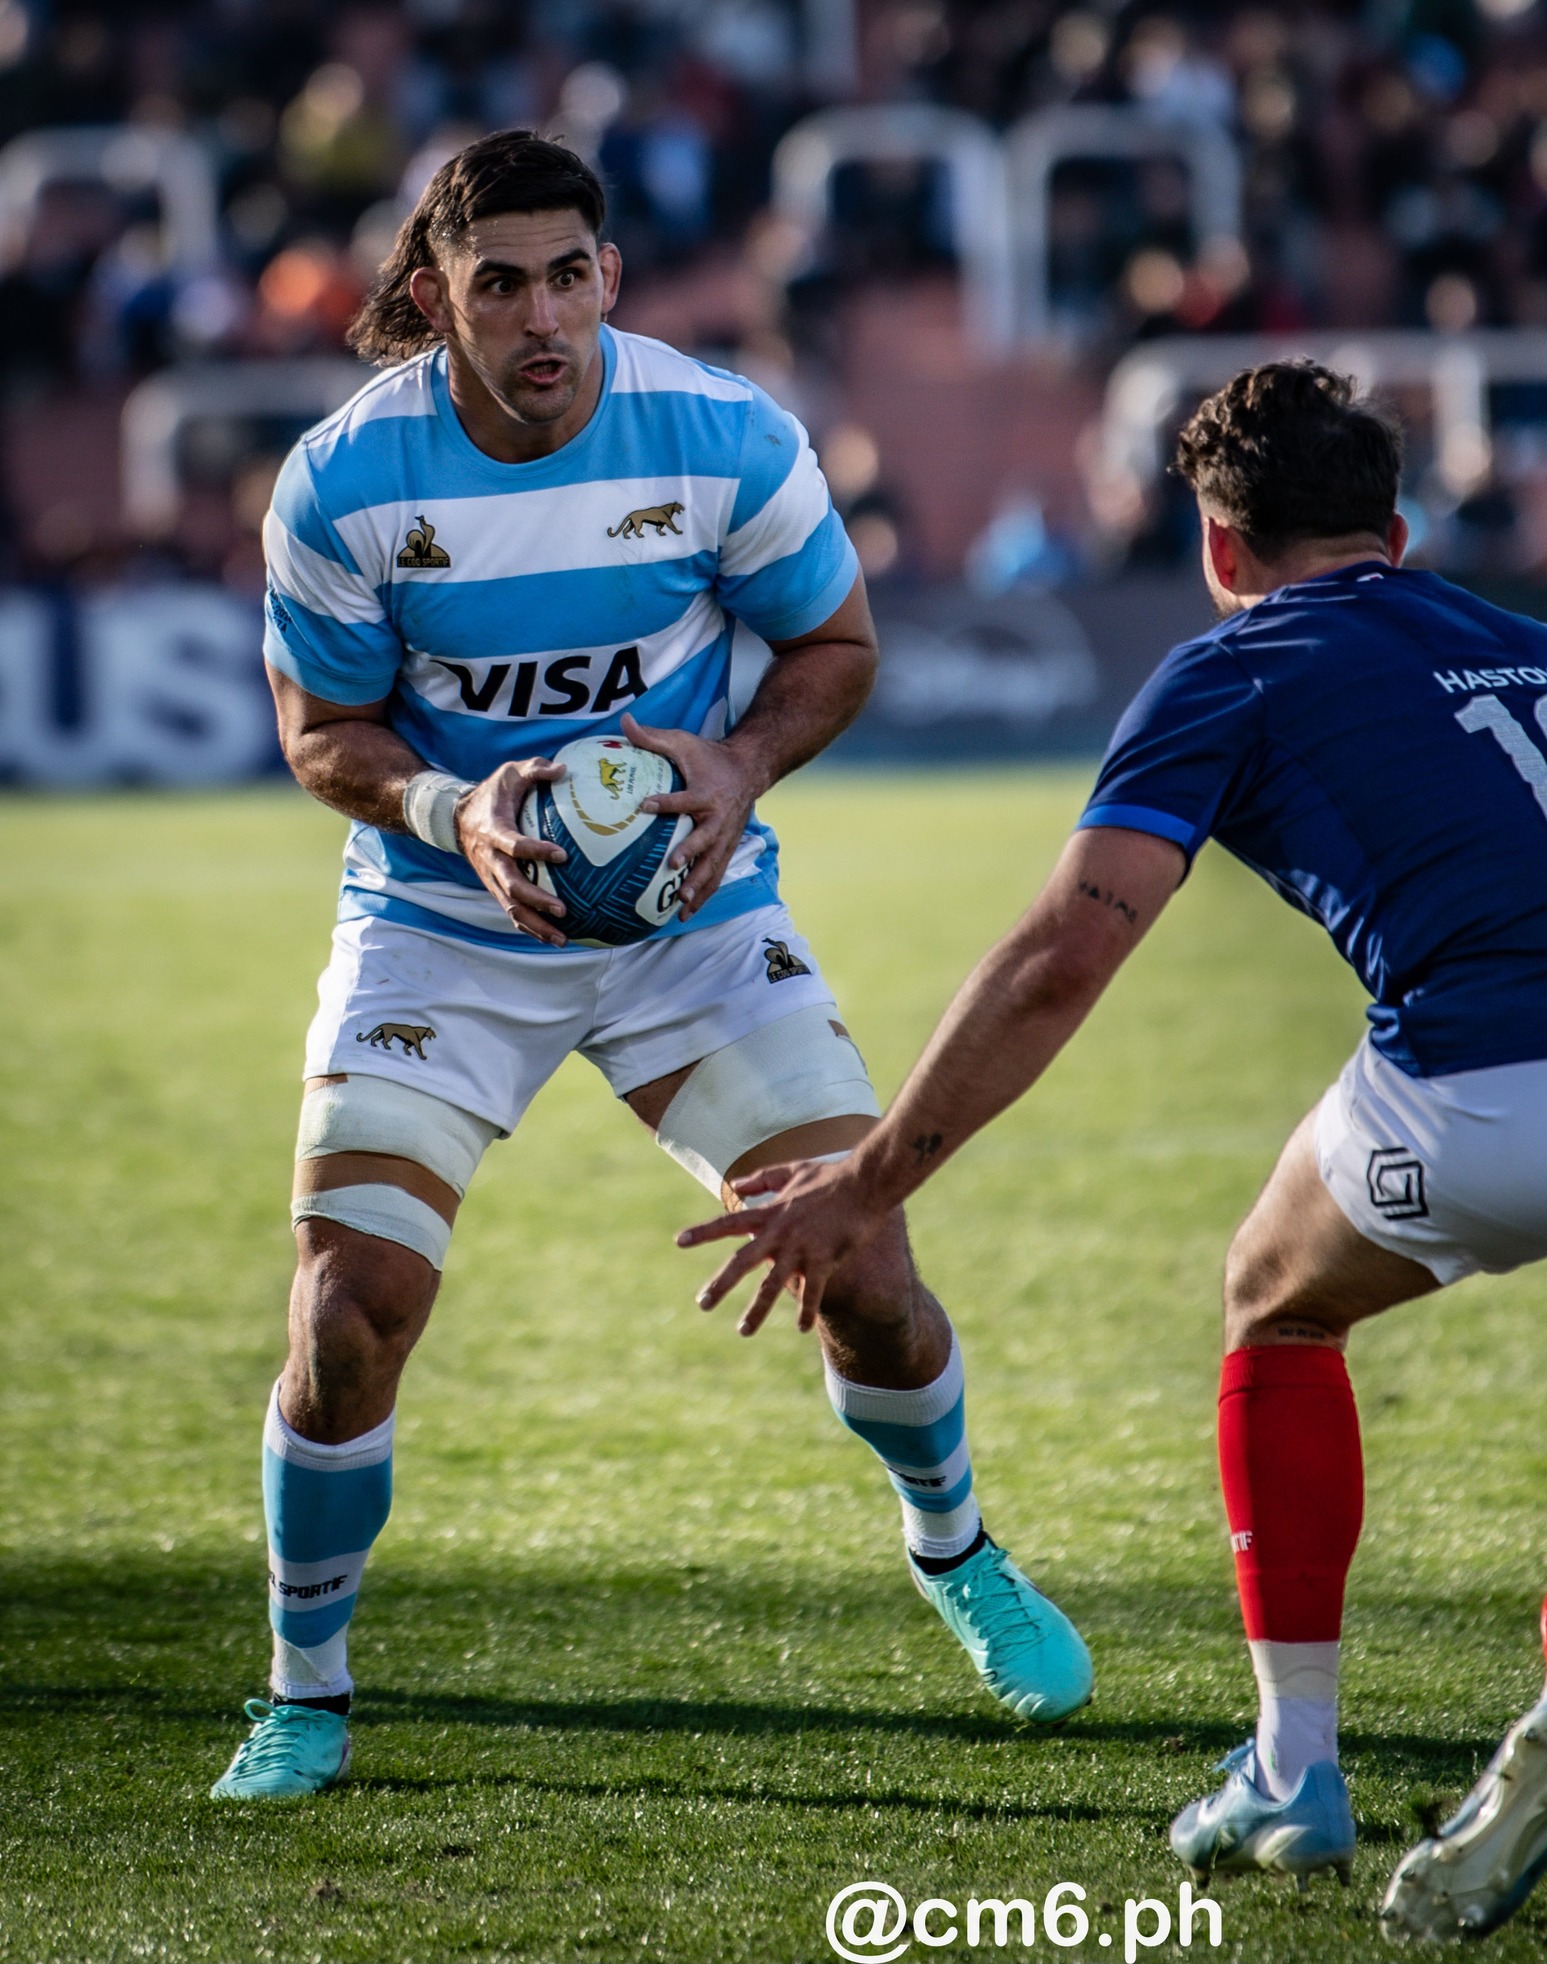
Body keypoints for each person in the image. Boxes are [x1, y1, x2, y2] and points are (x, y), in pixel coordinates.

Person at [681, 362, 1547, 1939]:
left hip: (1486, 1085)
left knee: (1275, 1299)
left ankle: (1295, 1768)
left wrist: (869, 1179)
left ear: (1218, 548)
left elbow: (1060, 960)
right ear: (1398, 533)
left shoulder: (1230, 665)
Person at [211, 131, 1090, 1803]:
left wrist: (742, 766)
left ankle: (956, 1550)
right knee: (348, 1311)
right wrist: (457, 808)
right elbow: (323, 732)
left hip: (692, 917)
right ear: (434, 300)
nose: (541, 318)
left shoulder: (726, 436)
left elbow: (836, 647)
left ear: (610, 275)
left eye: (569, 277)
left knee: (867, 1269)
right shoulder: (342, 481)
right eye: (499, 286)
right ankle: (304, 1692)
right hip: (444, 927)